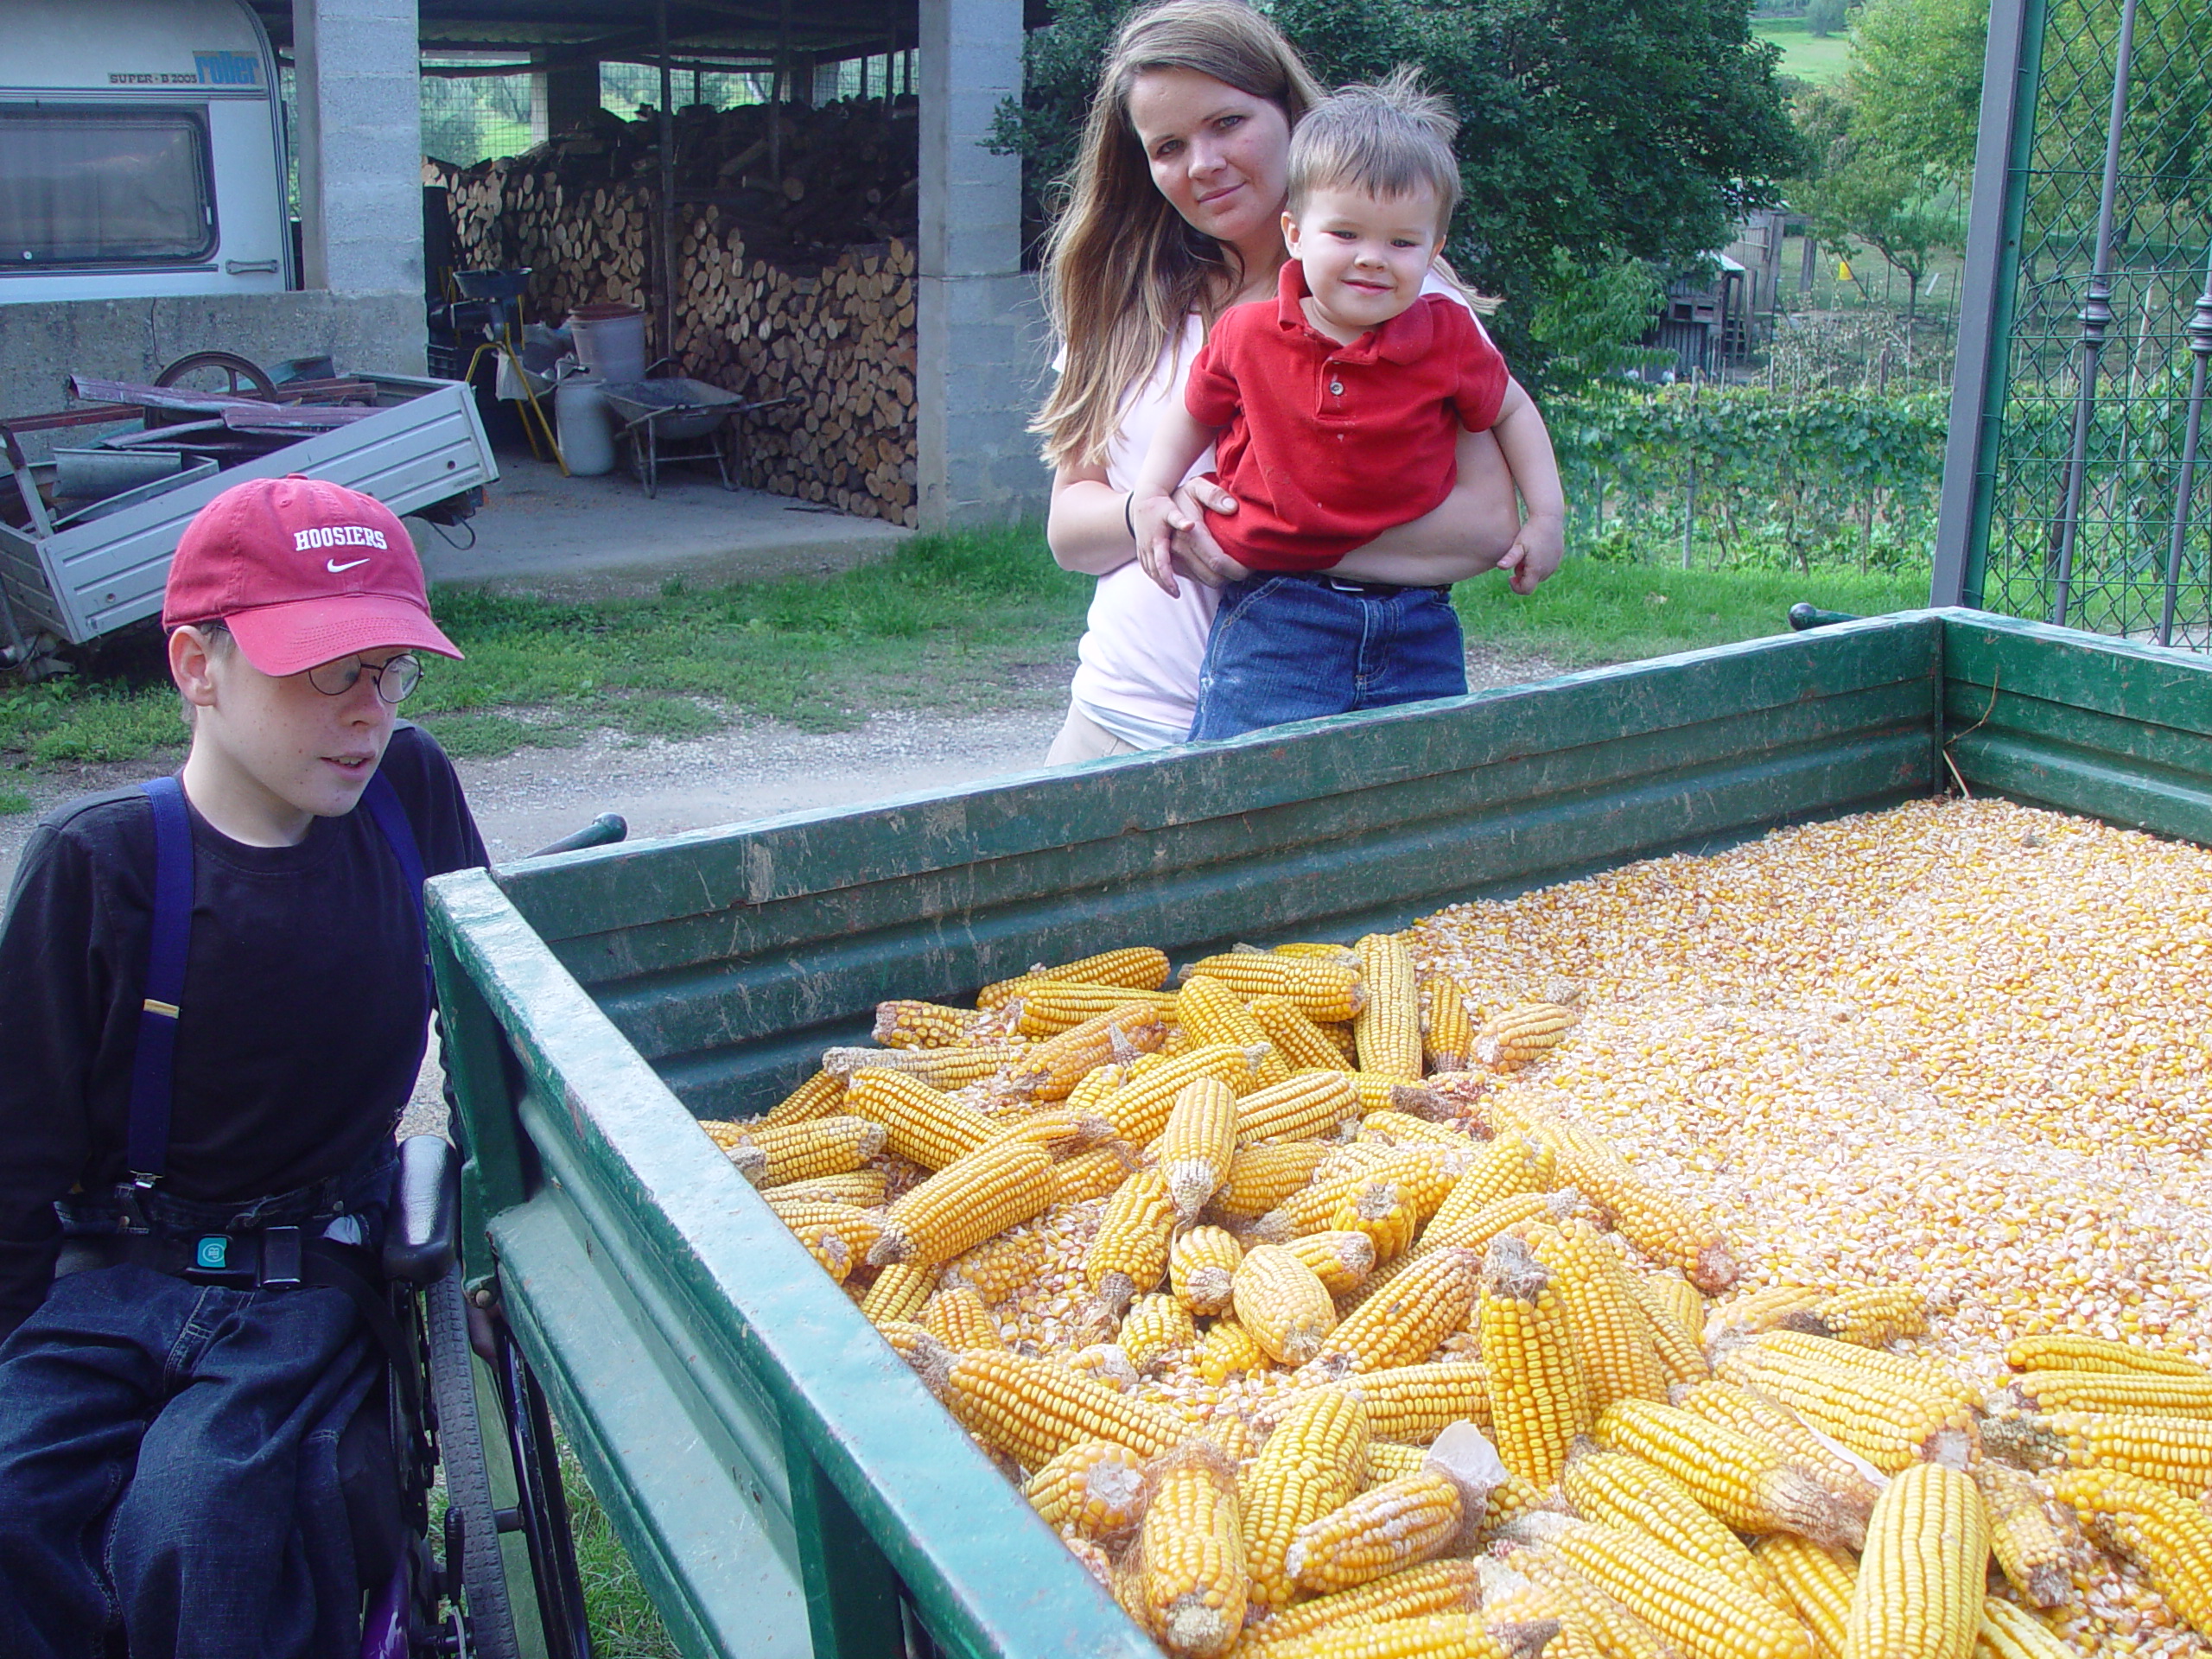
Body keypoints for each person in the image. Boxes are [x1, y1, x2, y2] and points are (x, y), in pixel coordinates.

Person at [0, 475, 487, 1659]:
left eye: (387, 668)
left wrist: (486, 1245)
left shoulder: (406, 796)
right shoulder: (99, 869)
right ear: (194, 666)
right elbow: (14, 1163)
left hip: (310, 1275)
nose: (366, 712)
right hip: (119, 1269)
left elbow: (492, 1026)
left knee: (206, 1527)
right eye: (325, 670)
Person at [1034, 0, 1546, 765]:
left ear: (1288, 113)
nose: (1202, 162)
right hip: (1110, 716)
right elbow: (1070, 530)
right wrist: (1157, 510)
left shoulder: (1405, 301)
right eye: (1168, 145)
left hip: (1299, 734)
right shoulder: (1128, 304)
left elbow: (1481, 526)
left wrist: (1255, 534)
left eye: (1228, 122)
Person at [1128, 71, 1567, 740]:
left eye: (1401, 242)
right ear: (1296, 234)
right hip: (1280, 616)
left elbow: (1511, 411)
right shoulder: (1248, 334)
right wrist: (1154, 491)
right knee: (1247, 792)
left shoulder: (1445, 335)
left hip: (1418, 618)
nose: (1372, 260)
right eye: (1346, 235)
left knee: (1415, 795)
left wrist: (1548, 517)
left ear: (1434, 249)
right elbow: (1193, 413)